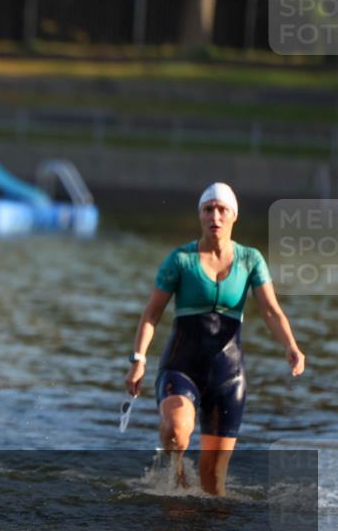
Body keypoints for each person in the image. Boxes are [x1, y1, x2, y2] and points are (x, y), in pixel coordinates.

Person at [124, 182, 305, 496]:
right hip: (181, 368)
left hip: (228, 377)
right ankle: (175, 473)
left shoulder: (251, 260)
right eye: (208, 209)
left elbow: (271, 311)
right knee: (177, 430)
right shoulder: (180, 260)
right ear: (200, 215)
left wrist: (291, 346)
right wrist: (138, 360)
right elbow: (151, 314)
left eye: (222, 210)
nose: (215, 216)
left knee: (213, 485)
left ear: (234, 216)